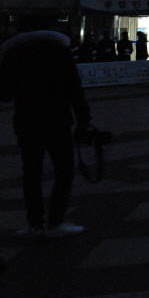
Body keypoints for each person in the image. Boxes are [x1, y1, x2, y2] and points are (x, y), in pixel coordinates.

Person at [0, 16, 92, 238]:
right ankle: (56, 221)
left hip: (27, 122)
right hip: (58, 120)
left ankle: (34, 224)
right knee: (64, 171)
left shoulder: (13, 54)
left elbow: (4, 96)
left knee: (31, 174)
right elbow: (74, 89)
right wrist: (84, 118)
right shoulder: (59, 52)